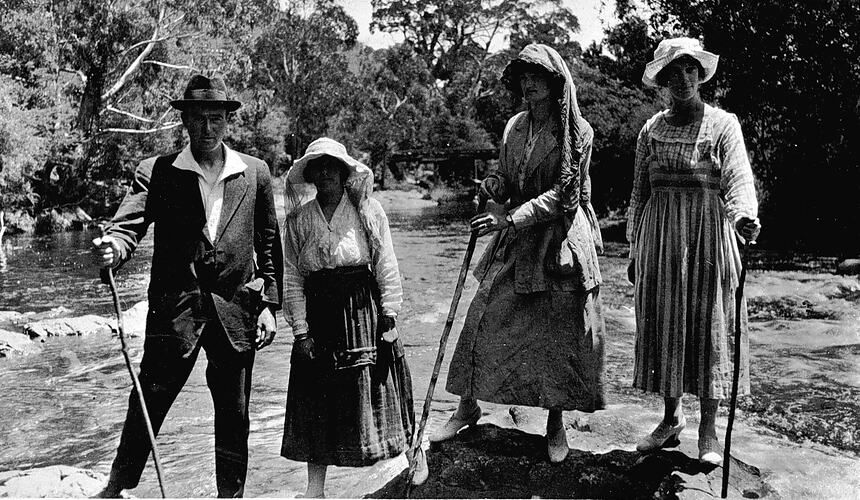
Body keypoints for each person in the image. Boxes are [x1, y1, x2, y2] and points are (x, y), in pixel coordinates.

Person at [92, 74, 284, 498]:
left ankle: (229, 495)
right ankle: (117, 486)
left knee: (234, 414)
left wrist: (270, 303)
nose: (208, 128)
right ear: (186, 122)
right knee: (149, 401)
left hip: (236, 311)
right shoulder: (159, 172)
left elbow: (268, 242)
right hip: (174, 310)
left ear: (227, 121)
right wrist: (115, 248)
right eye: (199, 120)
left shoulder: (255, 173)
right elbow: (128, 225)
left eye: (216, 119)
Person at [430, 43, 606, 463]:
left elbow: (565, 197)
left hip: (560, 239)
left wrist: (509, 219)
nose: (527, 84)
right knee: (484, 316)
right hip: (517, 236)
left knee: (559, 332)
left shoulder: (578, 132)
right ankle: (466, 406)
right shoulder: (514, 127)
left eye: (536, 77)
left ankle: (555, 422)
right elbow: (510, 179)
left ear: (554, 82)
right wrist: (495, 186)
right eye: (522, 77)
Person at [626, 37, 761, 464]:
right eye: (673, 73)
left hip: (707, 239)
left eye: (689, 70)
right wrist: (633, 247)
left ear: (700, 75)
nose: (682, 79)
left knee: (708, 328)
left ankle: (708, 432)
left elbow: (738, 179)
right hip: (660, 240)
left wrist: (743, 218)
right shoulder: (650, 130)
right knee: (665, 325)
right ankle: (670, 420)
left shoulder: (723, 124)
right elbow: (638, 193)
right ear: (662, 80)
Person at [280, 137, 427, 498]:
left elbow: (386, 264)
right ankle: (315, 489)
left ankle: (415, 453)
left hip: (363, 310)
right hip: (320, 316)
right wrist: (301, 331)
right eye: (319, 167)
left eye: (334, 166)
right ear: (311, 174)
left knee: (384, 382)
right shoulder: (299, 220)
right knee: (318, 400)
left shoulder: (368, 210)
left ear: (345, 172)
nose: (326, 172)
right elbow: (293, 277)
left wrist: (389, 314)